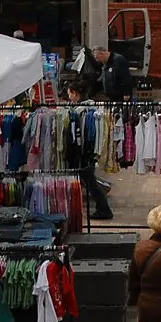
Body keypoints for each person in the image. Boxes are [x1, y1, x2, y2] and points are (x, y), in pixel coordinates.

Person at [66, 84, 114, 220]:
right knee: (90, 181)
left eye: (70, 94)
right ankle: (103, 208)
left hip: (84, 153)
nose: (69, 97)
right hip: (89, 152)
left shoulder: (81, 112)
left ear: (75, 94)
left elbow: (85, 134)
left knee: (91, 182)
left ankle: (104, 209)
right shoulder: (91, 108)